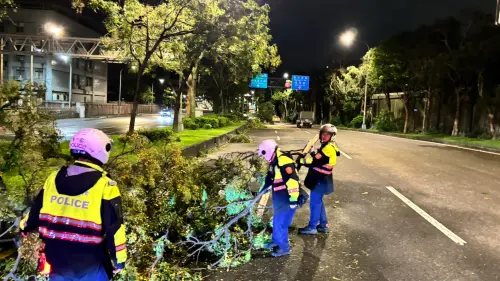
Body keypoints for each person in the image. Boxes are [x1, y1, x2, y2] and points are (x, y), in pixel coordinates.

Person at [20, 128, 127, 281]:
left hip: (57, 261)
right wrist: (119, 261)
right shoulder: (105, 186)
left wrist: (25, 227)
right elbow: (115, 228)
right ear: (101, 150)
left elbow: (35, 212)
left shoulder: (53, 178)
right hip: (90, 264)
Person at [257, 140, 300, 257]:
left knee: (281, 224)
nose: (264, 158)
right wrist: (261, 191)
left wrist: (293, 200)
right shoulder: (274, 161)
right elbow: (270, 178)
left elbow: (292, 181)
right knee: (276, 222)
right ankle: (275, 241)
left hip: (287, 198)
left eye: (264, 155)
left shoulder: (283, 162)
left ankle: (284, 248)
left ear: (270, 151)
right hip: (280, 197)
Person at [297, 124, 339, 235]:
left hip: (320, 180)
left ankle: (312, 227)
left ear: (332, 136)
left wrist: (302, 160)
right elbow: (317, 157)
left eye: (328, 134)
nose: (325, 136)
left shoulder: (328, 148)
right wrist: (312, 151)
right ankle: (323, 225)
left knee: (315, 204)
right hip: (322, 179)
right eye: (323, 134)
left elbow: (315, 159)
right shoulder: (326, 146)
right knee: (318, 202)